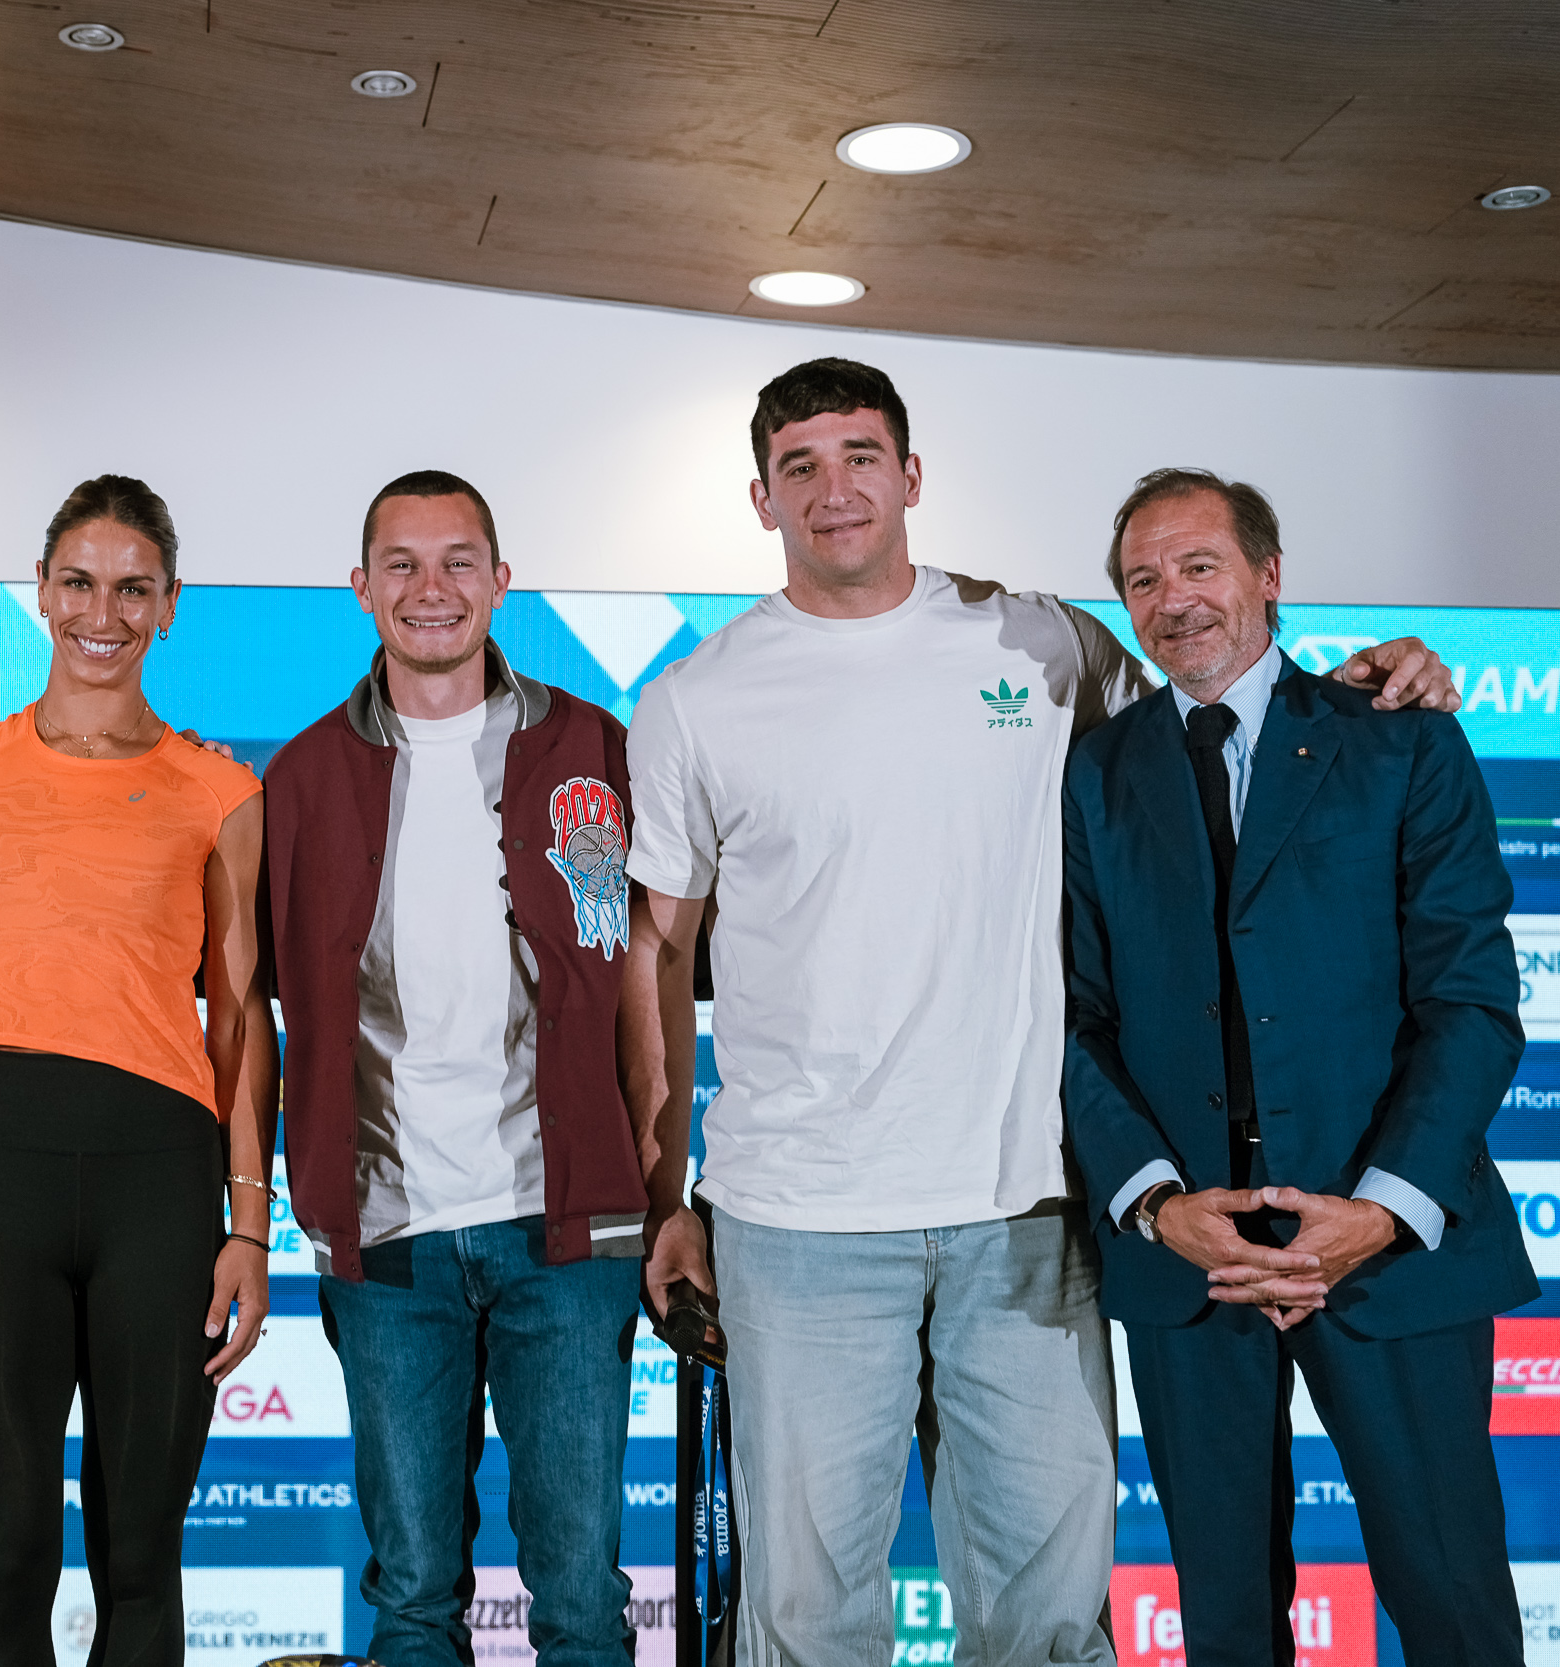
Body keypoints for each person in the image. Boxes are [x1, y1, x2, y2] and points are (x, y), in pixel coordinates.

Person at [622, 358, 1460, 1665]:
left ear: (911, 475)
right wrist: (662, 1193)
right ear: (760, 496)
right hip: (798, 1219)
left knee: (1050, 1624)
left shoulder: (1045, 642)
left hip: (1030, 1207)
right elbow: (658, 951)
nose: (835, 488)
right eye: (801, 465)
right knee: (806, 1622)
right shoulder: (693, 696)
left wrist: (1375, 674)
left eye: (860, 455)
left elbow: (1219, 695)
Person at [1064, 468, 1533, 1663]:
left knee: (1455, 1605)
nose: (1174, 598)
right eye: (1142, 580)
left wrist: (1376, 1212)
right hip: (1194, 1263)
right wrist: (1159, 1206)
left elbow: (1472, 1001)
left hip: (1390, 1249)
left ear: (1268, 576)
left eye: (1199, 565)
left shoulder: (1401, 737)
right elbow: (1071, 1017)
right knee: (1225, 1625)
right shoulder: (1093, 775)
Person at [0, 473, 276, 1666]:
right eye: (80, 583)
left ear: (169, 603)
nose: (104, 612)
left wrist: (249, 1225)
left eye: (133, 588)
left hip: (162, 1182)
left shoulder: (221, 789)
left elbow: (239, 1017)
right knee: (3, 1558)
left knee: (141, 1555)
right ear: (43, 591)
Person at [262, 471, 650, 1667]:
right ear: (360, 585)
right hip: (388, 1240)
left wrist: (661, 1183)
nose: (430, 588)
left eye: (456, 560)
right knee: (413, 1602)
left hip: (568, 1232)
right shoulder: (299, 775)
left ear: (500, 578)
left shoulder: (592, 743)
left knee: (581, 1598)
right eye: (402, 562)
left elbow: (650, 969)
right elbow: (260, 998)